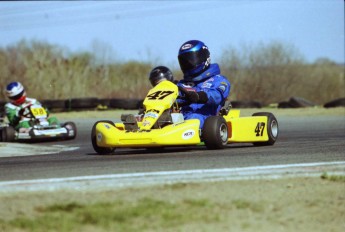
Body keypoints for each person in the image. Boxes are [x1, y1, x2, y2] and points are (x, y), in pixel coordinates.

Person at [176, 40, 231, 129]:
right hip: (181, 118)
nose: (188, 64)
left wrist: (199, 96)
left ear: (204, 57)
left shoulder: (218, 80)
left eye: (191, 60)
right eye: (185, 62)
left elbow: (217, 96)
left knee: (193, 118)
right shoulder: (181, 84)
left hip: (207, 118)